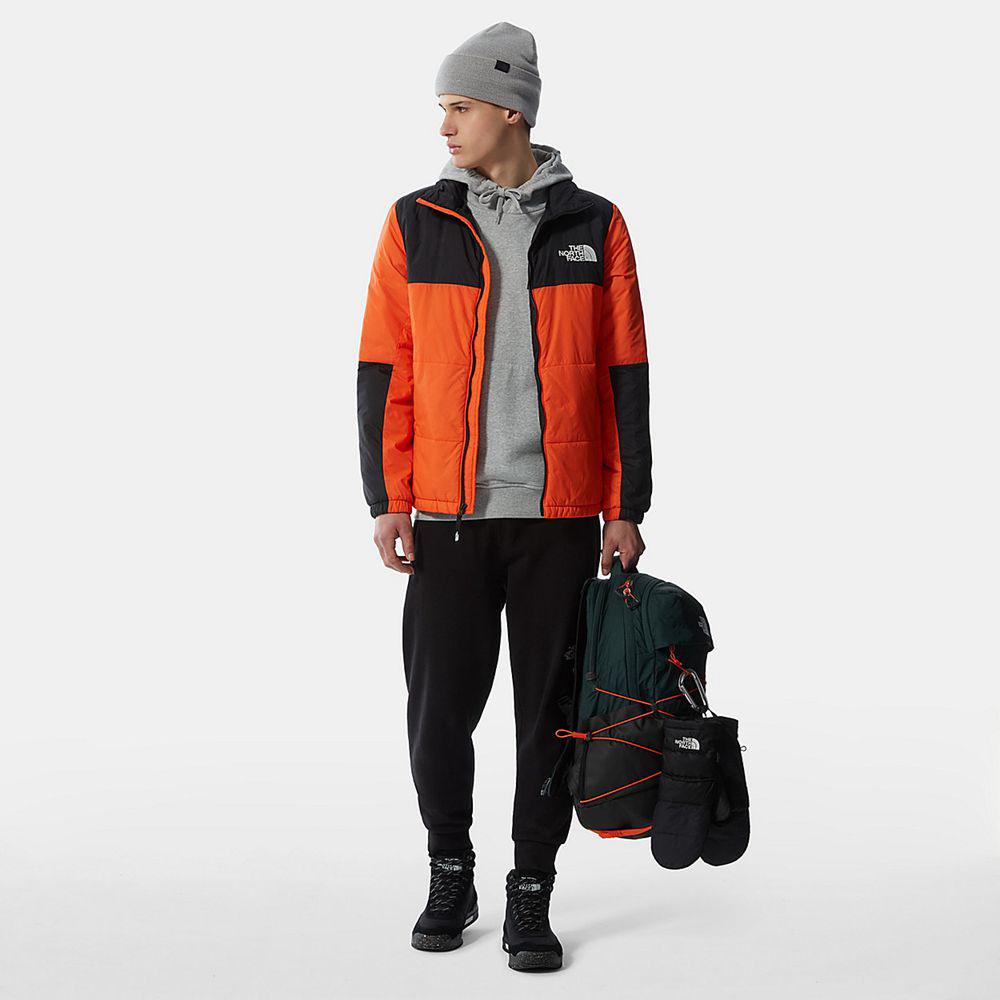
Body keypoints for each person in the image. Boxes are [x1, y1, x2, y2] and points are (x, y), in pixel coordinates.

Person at [355, 21, 652, 972]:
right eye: (442, 107)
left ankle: (532, 888)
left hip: (560, 519)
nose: (444, 125)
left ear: (512, 110)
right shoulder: (416, 222)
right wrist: (388, 497)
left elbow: (626, 375)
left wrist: (626, 506)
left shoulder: (594, 224)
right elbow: (384, 370)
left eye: (460, 106)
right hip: (449, 518)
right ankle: (451, 868)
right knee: (439, 712)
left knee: (549, 715)